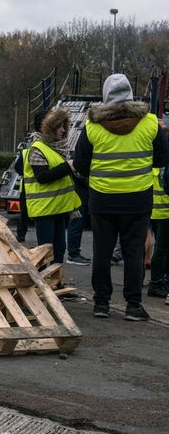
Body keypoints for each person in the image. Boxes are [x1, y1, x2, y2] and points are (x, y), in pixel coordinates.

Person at [73, 73, 169, 321]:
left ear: (106, 96)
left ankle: (101, 304)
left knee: (102, 252)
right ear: (129, 94)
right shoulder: (149, 123)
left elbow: (81, 165)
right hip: (137, 200)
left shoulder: (92, 126)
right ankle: (133, 306)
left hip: (103, 200)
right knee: (134, 253)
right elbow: (162, 159)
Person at [22, 108, 82, 264]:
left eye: (64, 126)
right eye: (59, 127)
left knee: (60, 248)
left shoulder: (56, 148)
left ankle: (57, 282)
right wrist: (68, 166)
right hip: (45, 210)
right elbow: (42, 177)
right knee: (46, 251)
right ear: (48, 128)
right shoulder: (37, 149)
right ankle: (45, 282)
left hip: (58, 208)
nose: (63, 130)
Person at [13, 111, 46, 243]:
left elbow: (18, 168)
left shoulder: (27, 150)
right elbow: (18, 167)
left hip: (27, 186)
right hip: (29, 187)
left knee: (26, 213)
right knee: (27, 213)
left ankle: (21, 235)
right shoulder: (31, 151)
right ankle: (21, 234)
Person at [147, 167, 169, 299]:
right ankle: (156, 283)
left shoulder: (154, 164)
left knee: (161, 248)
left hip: (154, 211)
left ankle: (158, 281)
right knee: (162, 249)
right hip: (165, 210)